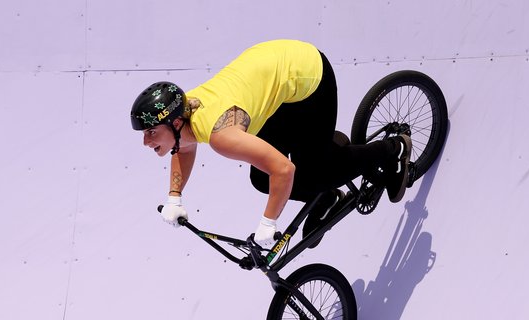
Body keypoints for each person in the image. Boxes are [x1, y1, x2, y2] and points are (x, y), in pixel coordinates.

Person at [130, 39, 411, 248]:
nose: (145, 141)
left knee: (315, 172)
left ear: (175, 123)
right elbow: (184, 148)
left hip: (307, 75)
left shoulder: (221, 136)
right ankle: (325, 195)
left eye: (151, 132)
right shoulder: (184, 109)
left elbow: (285, 171)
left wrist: (268, 223)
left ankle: (392, 150)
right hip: (276, 80)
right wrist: (174, 196)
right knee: (261, 178)